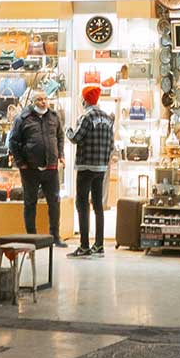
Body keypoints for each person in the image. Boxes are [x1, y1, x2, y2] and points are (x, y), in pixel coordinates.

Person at [9, 90, 67, 247]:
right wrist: (21, 162)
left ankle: (55, 236)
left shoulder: (54, 116)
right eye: (40, 99)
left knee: (54, 202)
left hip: (51, 168)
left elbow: (60, 137)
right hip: (30, 170)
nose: (43, 102)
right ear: (33, 102)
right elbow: (13, 142)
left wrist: (61, 154)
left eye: (45, 99)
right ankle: (31, 237)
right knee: (30, 203)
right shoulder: (23, 118)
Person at [67, 85, 113, 258]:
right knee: (98, 206)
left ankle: (84, 245)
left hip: (86, 166)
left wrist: (67, 130)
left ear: (85, 100)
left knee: (82, 204)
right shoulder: (107, 118)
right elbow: (111, 144)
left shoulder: (86, 117)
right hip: (101, 167)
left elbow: (75, 138)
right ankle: (99, 245)